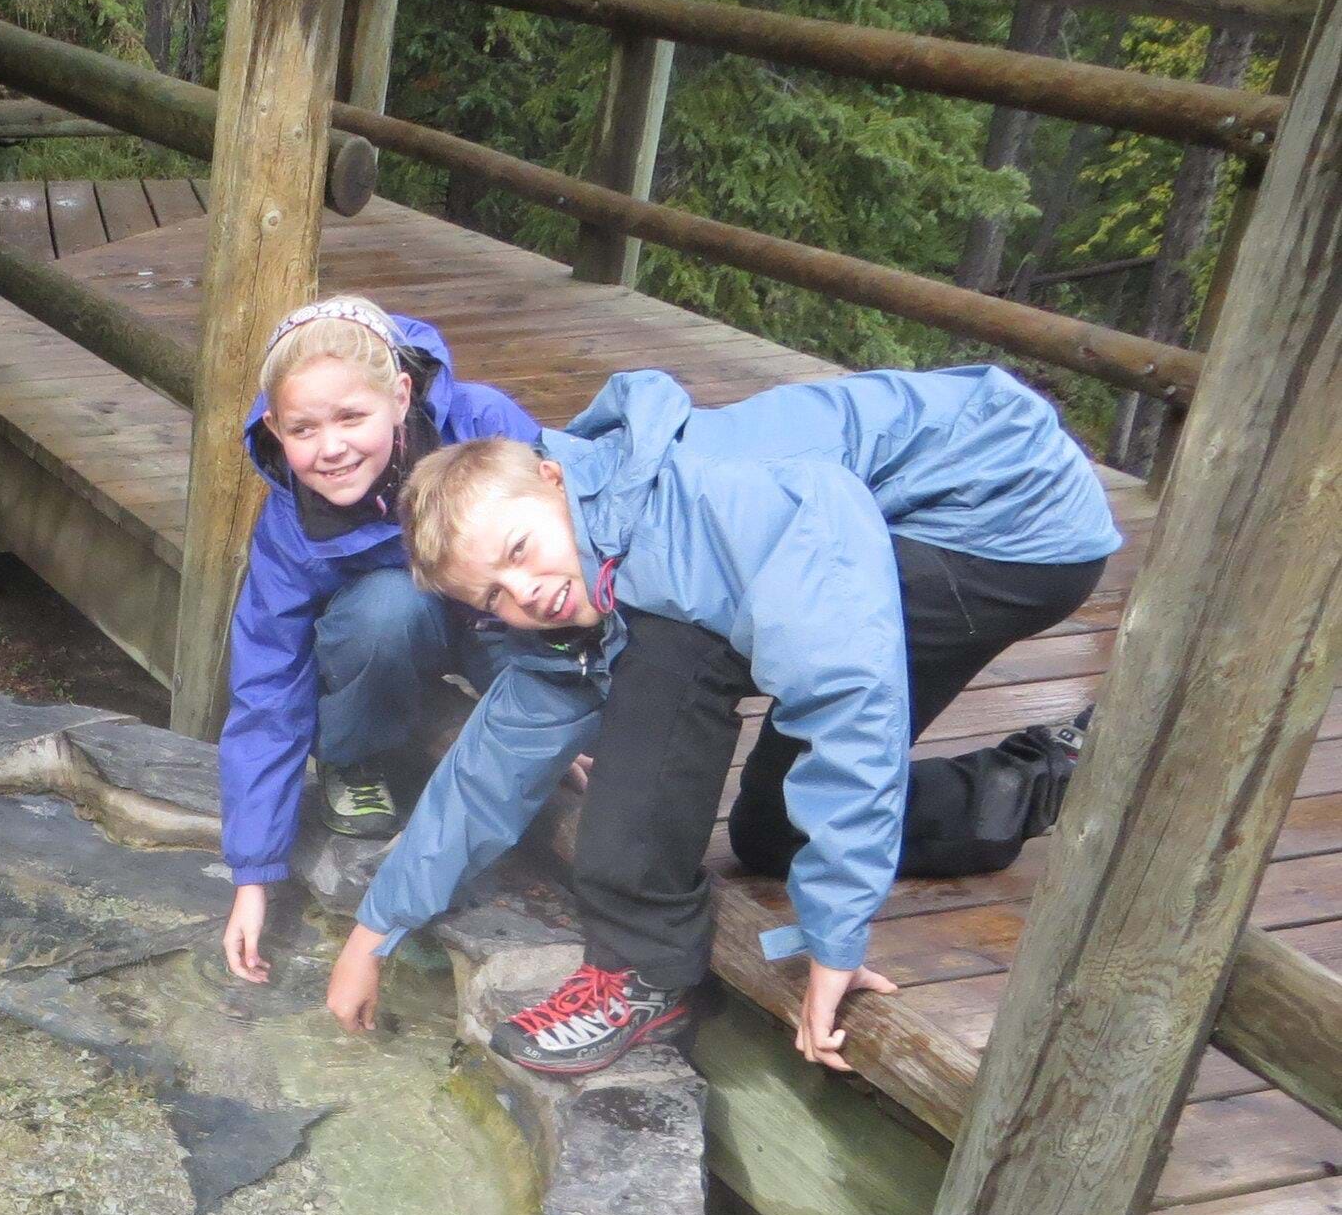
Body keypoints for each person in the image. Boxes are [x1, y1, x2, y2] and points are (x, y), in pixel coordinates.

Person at [321, 364, 1119, 1076]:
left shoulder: (704, 510)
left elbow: (847, 694)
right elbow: (497, 755)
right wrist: (376, 928)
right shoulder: (587, 555)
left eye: (521, 549)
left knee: (669, 643)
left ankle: (641, 969)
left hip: (1005, 525)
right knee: (772, 833)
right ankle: (1051, 772)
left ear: (555, 480)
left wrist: (835, 934)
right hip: (913, 507)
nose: (523, 591)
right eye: (492, 596)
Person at [216, 295, 539, 987]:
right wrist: (252, 873)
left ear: (399, 397)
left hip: (496, 615)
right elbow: (266, 687)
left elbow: (568, 559)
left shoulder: (484, 424)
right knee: (387, 609)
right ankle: (354, 755)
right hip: (390, 634)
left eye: (352, 418)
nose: (331, 447)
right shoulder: (289, 527)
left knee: (526, 608)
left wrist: (565, 701)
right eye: (303, 429)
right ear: (274, 428)